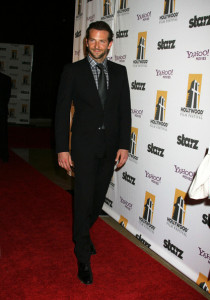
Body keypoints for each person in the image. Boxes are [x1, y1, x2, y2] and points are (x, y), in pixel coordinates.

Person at [55, 21, 131, 285]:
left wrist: (124, 144)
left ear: (110, 44)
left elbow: (124, 111)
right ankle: (82, 255)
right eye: (92, 40)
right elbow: (62, 111)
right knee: (83, 199)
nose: (97, 46)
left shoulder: (120, 73)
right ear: (86, 42)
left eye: (102, 41)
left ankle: (82, 234)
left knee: (97, 202)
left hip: (109, 147)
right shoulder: (72, 71)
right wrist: (63, 148)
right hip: (84, 147)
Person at [0, 72, 12, 162]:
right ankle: (4, 155)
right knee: (3, 133)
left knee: (3, 132)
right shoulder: (6, 79)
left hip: (2, 110)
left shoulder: (6, 79)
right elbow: (7, 96)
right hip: (2, 110)